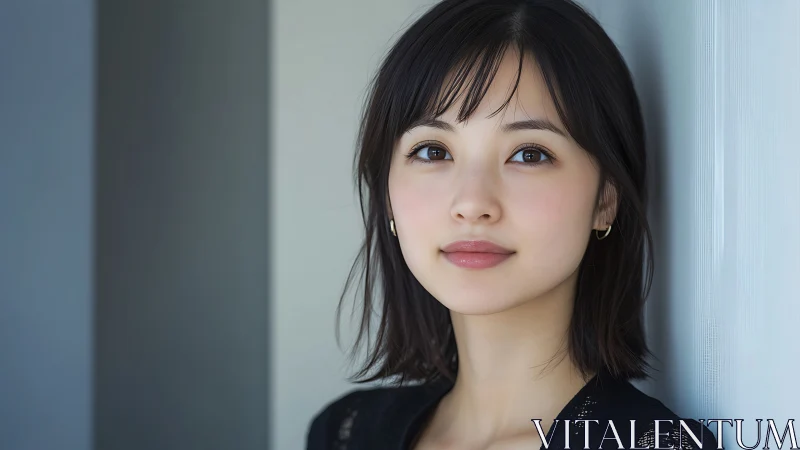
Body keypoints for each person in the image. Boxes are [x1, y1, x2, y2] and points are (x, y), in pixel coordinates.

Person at [306, 0, 718, 448]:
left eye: (529, 154)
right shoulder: (345, 432)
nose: (472, 203)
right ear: (386, 193)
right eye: (433, 151)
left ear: (606, 199)